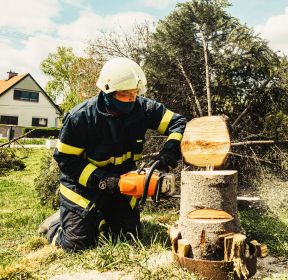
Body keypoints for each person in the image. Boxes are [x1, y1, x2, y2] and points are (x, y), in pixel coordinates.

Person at [40, 57, 186, 252]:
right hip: (82, 186)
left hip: (122, 183)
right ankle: (56, 225)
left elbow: (178, 123)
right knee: (76, 245)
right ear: (108, 92)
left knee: (129, 237)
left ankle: (98, 220)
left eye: (135, 93)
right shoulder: (80, 118)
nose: (132, 99)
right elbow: (66, 160)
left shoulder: (144, 109)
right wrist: (103, 181)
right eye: (125, 95)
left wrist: (169, 152)